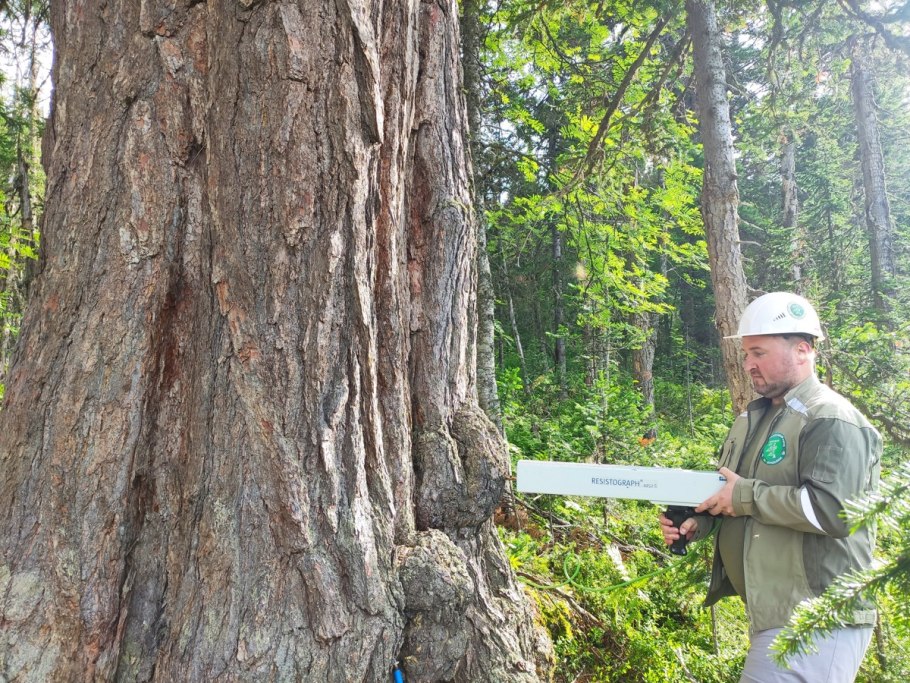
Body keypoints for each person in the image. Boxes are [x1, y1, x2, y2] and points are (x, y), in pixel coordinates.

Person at [659, 292, 881, 682]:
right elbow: (737, 494)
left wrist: (742, 496)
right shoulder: (753, 418)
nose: (748, 364)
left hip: (819, 616)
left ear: (802, 350)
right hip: (777, 611)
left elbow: (835, 512)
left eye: (759, 353)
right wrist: (700, 521)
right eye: (746, 354)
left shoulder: (830, 417)